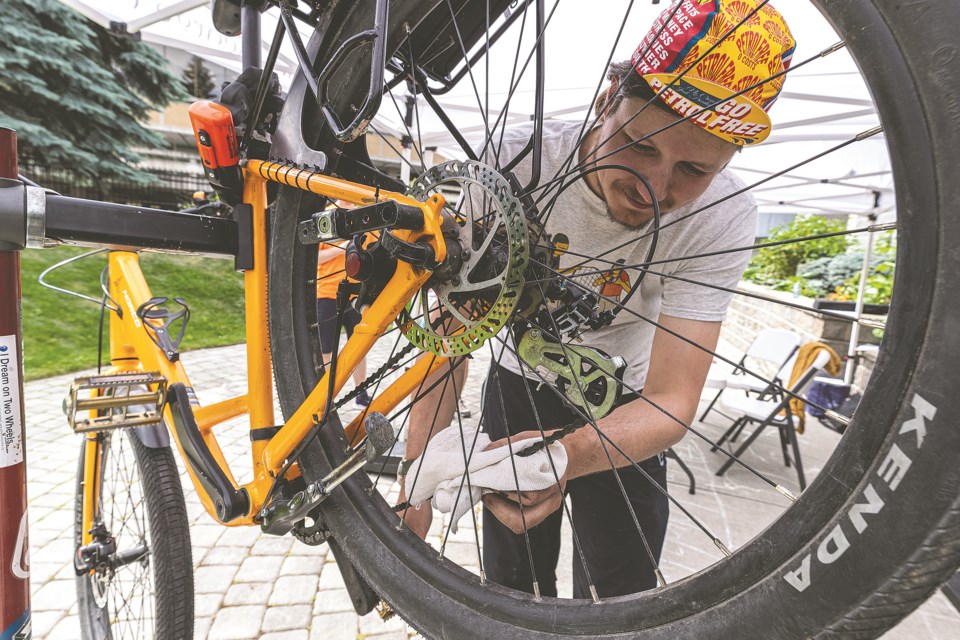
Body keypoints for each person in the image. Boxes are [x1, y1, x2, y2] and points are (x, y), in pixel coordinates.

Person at [402, 0, 796, 598]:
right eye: (641, 145)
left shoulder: (723, 217)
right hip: (517, 385)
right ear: (606, 98)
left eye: (694, 169)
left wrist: (566, 457)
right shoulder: (514, 160)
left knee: (621, 589)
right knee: (512, 578)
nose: (654, 189)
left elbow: (672, 399)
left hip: (626, 405)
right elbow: (449, 340)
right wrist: (414, 483)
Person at [316, 200, 371, 406]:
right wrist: (342, 249)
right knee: (326, 349)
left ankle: (361, 392)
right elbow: (315, 258)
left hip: (357, 293)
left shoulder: (364, 217)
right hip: (328, 292)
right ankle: (326, 395)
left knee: (358, 345)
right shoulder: (326, 216)